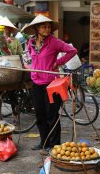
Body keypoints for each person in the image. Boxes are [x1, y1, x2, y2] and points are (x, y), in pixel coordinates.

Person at [21, 14, 77, 150]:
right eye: (43, 26)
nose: (47, 29)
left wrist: (57, 62)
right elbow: (28, 56)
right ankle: (44, 142)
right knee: (40, 114)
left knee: (51, 115)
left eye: (48, 27)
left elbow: (72, 51)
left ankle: (55, 145)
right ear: (36, 28)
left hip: (51, 84)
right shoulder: (31, 42)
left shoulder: (54, 41)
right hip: (36, 83)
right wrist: (28, 65)